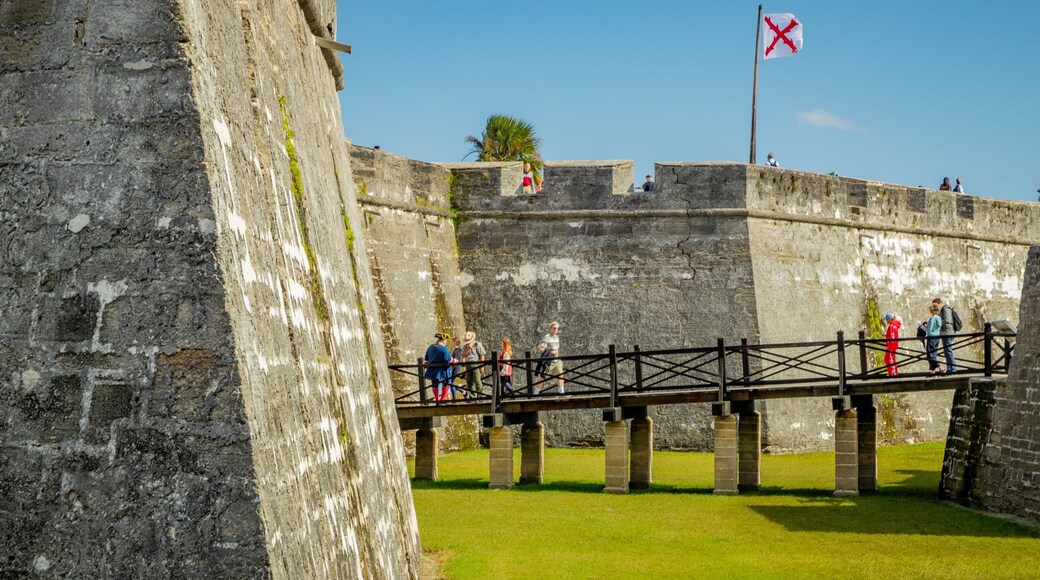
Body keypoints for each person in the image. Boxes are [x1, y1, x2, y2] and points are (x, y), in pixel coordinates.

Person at [423, 333, 454, 401]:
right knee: (446, 384)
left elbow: (426, 359)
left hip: (432, 370)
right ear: (443, 340)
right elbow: (448, 360)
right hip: (442, 370)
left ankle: (437, 399)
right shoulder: (444, 349)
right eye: (446, 340)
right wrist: (454, 360)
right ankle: (442, 399)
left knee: (434, 385)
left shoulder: (430, 347)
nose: (446, 342)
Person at [538, 321, 565, 394]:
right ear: (550, 328)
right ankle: (535, 393)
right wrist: (552, 352)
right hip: (549, 361)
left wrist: (556, 353)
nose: (556, 330)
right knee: (542, 376)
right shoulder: (547, 337)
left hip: (556, 360)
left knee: (560, 375)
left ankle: (562, 393)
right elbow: (542, 349)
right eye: (554, 328)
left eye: (557, 328)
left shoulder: (557, 337)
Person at [933, 297, 957, 374]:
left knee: (948, 350)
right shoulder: (943, 310)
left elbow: (947, 321)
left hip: (948, 332)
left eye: (936, 305)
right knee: (947, 351)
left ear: (939, 303)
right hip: (945, 332)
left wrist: (937, 321)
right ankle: (950, 368)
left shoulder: (946, 309)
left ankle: (952, 368)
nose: (935, 307)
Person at [925, 303, 945, 375]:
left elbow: (929, 329)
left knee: (930, 355)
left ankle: (940, 367)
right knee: (933, 354)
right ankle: (932, 371)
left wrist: (923, 327)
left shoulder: (933, 318)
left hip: (931, 337)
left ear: (933, 311)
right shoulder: (939, 318)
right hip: (937, 337)